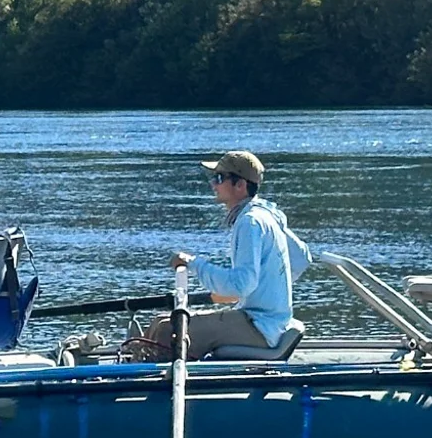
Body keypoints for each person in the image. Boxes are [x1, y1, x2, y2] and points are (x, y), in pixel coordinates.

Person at [128, 150, 312, 361]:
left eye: (219, 178)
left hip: (261, 327)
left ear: (240, 185)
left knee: (166, 331)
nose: (213, 185)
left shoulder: (250, 221)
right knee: (160, 321)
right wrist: (265, 287)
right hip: (268, 320)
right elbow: (301, 258)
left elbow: (241, 284)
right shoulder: (267, 214)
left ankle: (143, 385)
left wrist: (193, 263)